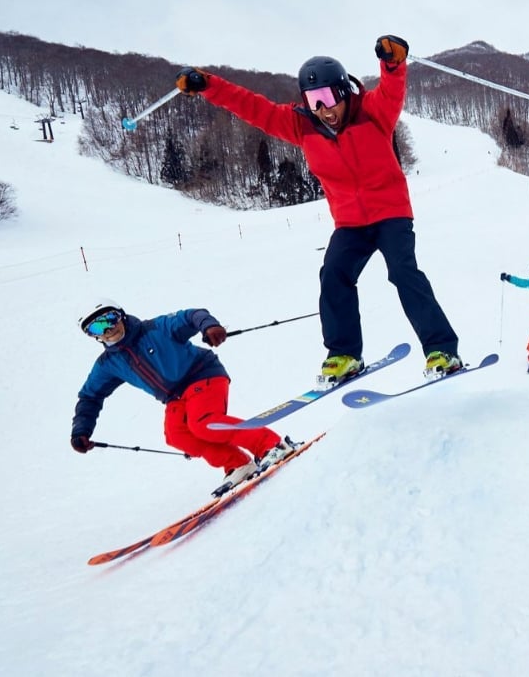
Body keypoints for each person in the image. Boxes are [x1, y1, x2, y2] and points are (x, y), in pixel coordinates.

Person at [174, 36, 463, 385]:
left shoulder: (372, 112)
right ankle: (344, 354)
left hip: (391, 213)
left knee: (403, 272)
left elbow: (392, 89)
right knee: (333, 275)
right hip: (350, 223)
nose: (323, 108)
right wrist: (208, 85)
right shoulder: (302, 125)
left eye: (327, 97)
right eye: (313, 100)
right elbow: (252, 107)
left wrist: (392, 63)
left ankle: (441, 349)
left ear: (343, 91)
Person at [70, 301, 298, 496]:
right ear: (93, 335)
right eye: (97, 327)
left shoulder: (155, 328)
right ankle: (238, 464)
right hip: (175, 396)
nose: (108, 329)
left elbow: (191, 315)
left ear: (121, 315)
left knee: (204, 423)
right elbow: (90, 396)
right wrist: (81, 430)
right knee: (176, 435)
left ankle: (272, 445)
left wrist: (209, 326)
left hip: (202, 374)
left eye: (110, 319)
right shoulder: (108, 364)